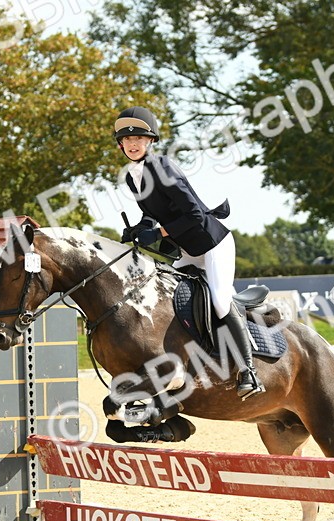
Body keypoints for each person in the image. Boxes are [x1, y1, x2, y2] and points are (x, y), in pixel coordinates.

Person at [113, 106, 264, 399]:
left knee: (220, 300)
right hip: (186, 248)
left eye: (139, 138)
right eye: (126, 139)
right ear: (120, 144)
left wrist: (156, 234)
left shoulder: (164, 167)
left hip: (212, 243)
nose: (132, 143)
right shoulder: (133, 177)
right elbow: (151, 213)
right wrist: (139, 229)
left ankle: (248, 370)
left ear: (151, 141)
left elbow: (194, 215)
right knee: (175, 299)